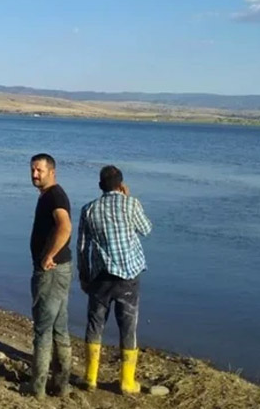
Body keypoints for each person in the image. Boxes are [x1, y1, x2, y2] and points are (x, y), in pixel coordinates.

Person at [77, 165, 152, 395]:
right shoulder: (131, 204)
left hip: (100, 277)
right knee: (128, 327)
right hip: (129, 277)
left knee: (95, 324)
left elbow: (82, 247)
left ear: (100, 186)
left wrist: (84, 275)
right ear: (121, 185)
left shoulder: (89, 209)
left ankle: (90, 378)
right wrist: (128, 198)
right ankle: (127, 382)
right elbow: (146, 229)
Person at [27, 153, 74, 398]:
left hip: (51, 272)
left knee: (43, 330)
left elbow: (65, 227)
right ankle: (62, 385)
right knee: (58, 328)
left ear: (52, 171)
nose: (35, 175)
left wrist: (49, 256)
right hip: (60, 270)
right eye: (33, 170)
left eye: (39, 171)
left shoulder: (55, 195)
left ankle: (38, 390)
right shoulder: (49, 195)